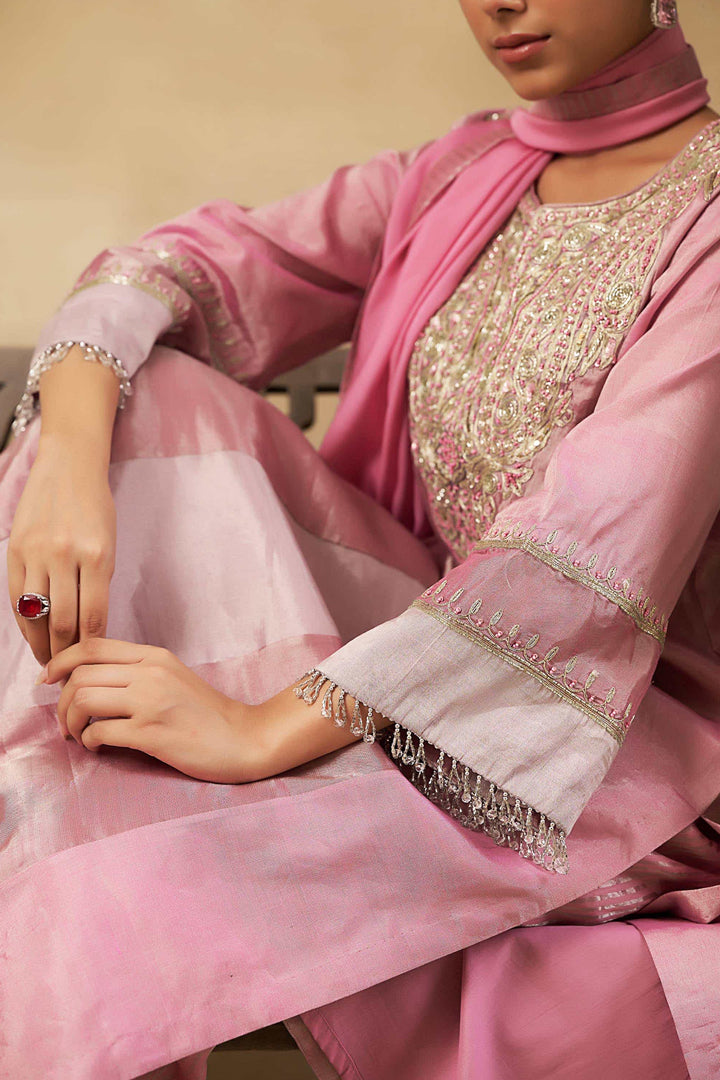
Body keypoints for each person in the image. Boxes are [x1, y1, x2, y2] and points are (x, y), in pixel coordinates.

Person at [2, 0, 720, 1076]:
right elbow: (184, 266)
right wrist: (65, 462)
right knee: (146, 389)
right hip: (384, 640)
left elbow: (584, 555)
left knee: (139, 857)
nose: (501, 4)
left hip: (581, 731)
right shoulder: (458, 170)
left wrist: (256, 734)